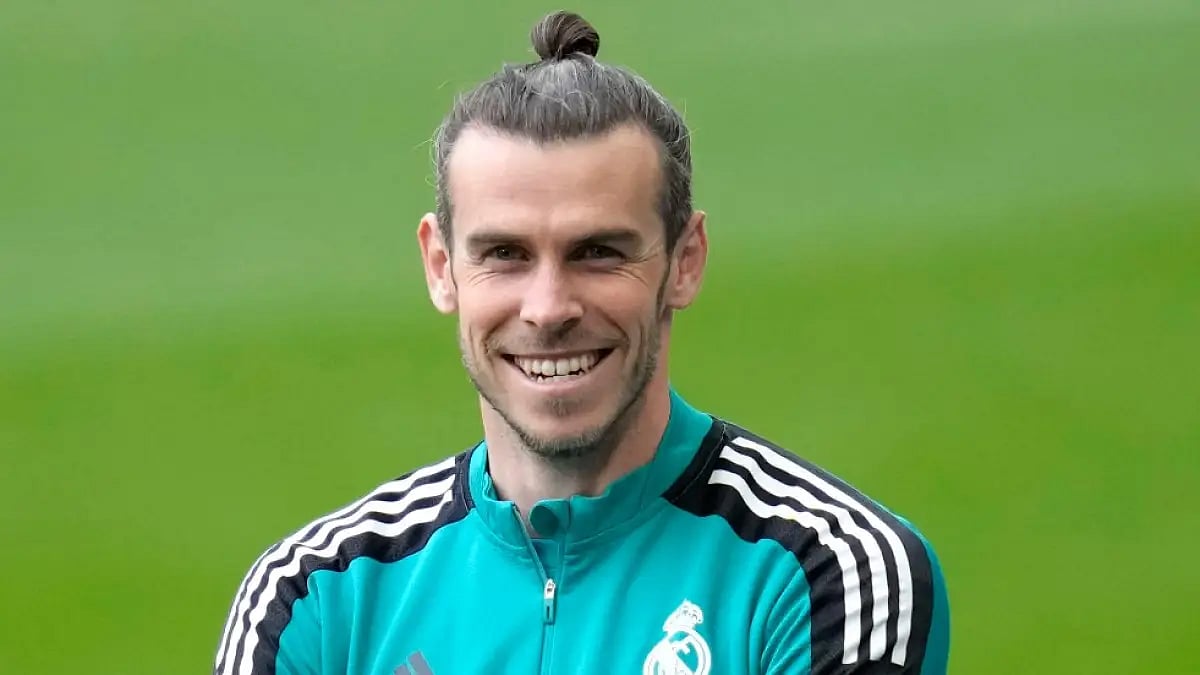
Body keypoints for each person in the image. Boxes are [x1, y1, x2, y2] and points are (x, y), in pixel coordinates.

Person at [213, 10, 950, 675]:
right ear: (442, 267)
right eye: (503, 253)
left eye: (598, 251)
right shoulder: (315, 596)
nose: (548, 307)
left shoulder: (829, 570)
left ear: (684, 260)